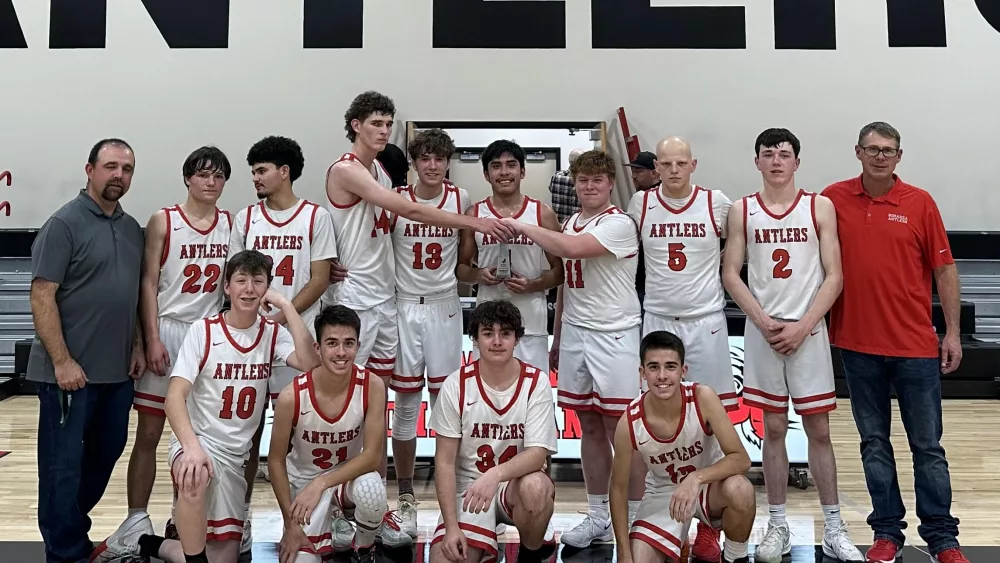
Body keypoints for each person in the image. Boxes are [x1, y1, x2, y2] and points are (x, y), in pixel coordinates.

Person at [322, 90, 514, 479]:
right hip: (366, 298)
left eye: (388, 124)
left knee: (384, 401)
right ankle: (353, 490)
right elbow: (403, 212)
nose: (384, 130)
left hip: (402, 302)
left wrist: (477, 271)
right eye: (376, 123)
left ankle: (387, 492)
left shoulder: (381, 174)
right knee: (357, 398)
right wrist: (327, 265)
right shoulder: (355, 173)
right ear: (356, 126)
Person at [91, 250, 321, 563]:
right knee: (194, 472)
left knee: (223, 558)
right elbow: (174, 398)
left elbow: (310, 363)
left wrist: (286, 306)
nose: (249, 289)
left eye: (258, 282)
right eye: (241, 280)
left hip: (234, 458)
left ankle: (143, 542)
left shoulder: (272, 335)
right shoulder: (204, 330)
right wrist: (192, 447)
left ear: (268, 288)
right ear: (227, 287)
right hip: (198, 443)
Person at [822, 122, 969, 563]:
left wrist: (954, 333)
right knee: (874, 444)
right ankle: (887, 533)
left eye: (888, 150)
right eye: (872, 149)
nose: (880, 157)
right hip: (857, 345)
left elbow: (945, 272)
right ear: (858, 152)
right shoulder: (832, 199)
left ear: (899, 156)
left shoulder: (920, 203)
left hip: (915, 348)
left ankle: (942, 538)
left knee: (928, 447)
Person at [720, 128, 862, 562]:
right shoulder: (743, 209)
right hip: (764, 334)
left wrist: (803, 325)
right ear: (757, 161)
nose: (777, 161)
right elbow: (730, 274)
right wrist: (762, 321)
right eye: (769, 154)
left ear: (797, 162)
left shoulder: (819, 206)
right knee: (774, 429)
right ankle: (777, 524)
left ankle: (834, 527)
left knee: (819, 430)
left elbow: (834, 275)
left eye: (785, 154)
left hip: (809, 332)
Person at [499, 149, 647, 548]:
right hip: (576, 334)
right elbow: (565, 279)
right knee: (590, 426)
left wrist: (523, 226)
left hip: (614, 334)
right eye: (583, 180)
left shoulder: (618, 223)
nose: (590, 185)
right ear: (575, 183)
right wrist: (558, 335)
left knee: (623, 431)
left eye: (597, 179)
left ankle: (633, 517)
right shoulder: (571, 220)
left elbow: (572, 250)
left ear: (611, 184)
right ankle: (598, 513)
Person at [27, 138, 146, 563]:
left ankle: (71, 532)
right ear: (90, 170)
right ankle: (66, 551)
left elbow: (131, 296)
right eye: (111, 166)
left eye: (127, 169)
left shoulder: (133, 229)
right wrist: (61, 361)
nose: (119, 175)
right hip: (68, 377)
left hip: (116, 375)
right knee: (62, 469)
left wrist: (136, 345)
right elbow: (42, 296)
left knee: (105, 455)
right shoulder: (64, 224)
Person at [114, 146, 234, 542]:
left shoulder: (230, 224)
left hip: (208, 335)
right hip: (168, 328)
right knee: (149, 432)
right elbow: (147, 283)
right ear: (187, 178)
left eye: (218, 176)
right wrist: (149, 339)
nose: (211, 183)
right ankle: (135, 519)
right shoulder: (164, 221)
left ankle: (184, 514)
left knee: (200, 434)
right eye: (203, 175)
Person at [625, 136, 734, 562]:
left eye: (680, 163)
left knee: (712, 422)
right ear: (657, 167)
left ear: (693, 165)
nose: (672, 170)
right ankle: (652, 509)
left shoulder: (718, 203)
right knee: (652, 416)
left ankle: (710, 525)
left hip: (705, 321)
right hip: (657, 320)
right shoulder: (641, 204)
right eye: (665, 163)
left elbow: (740, 251)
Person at [229, 135, 338, 554]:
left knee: (307, 435)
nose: (255, 178)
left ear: (284, 172)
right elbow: (237, 277)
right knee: (249, 432)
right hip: (253, 339)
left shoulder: (315, 217)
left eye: (261, 170)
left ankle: (316, 519)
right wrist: (257, 316)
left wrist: (283, 313)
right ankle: (240, 517)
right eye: (253, 171)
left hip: (298, 337)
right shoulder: (245, 219)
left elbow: (320, 278)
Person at [268, 305, 411, 563]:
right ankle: (334, 528)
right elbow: (275, 461)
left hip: (345, 483)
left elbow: (372, 457)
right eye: (332, 343)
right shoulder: (292, 396)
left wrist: (321, 483)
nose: (341, 352)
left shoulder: (373, 386)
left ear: (358, 346)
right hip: (304, 489)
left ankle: (364, 549)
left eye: (349, 343)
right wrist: (290, 525)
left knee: (372, 489)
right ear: (317, 348)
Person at [386, 128, 471, 537]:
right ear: (415, 163)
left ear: (448, 161)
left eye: (440, 158)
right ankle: (405, 495)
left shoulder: (461, 199)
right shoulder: (397, 199)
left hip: (444, 306)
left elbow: (467, 258)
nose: (433, 165)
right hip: (404, 305)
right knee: (404, 408)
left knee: (446, 407)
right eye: (425, 159)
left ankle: (449, 496)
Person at [428, 299, 558, 563]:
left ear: (517, 339)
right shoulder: (456, 385)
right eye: (488, 333)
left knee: (536, 486)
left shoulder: (536, 383)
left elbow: (537, 455)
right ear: (474, 339)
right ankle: (482, 545)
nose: (497, 341)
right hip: (468, 489)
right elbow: (443, 462)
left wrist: (495, 475)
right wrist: (451, 527)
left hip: (514, 486)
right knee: (445, 559)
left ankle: (530, 554)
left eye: (505, 334)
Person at [609, 330, 754, 563]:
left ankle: (735, 558)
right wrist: (623, 553)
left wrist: (696, 478)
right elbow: (617, 490)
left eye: (671, 367)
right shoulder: (629, 422)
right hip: (663, 494)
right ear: (642, 373)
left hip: (709, 488)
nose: (662, 375)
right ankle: (677, 541)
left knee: (740, 489)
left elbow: (741, 459)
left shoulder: (702, 397)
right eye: (654, 367)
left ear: (683, 371)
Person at [456, 139, 564, 375]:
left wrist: (532, 285)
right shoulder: (475, 214)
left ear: (522, 171)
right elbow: (461, 269)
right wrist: (478, 275)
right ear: (486, 174)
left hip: (531, 324)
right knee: (486, 399)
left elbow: (559, 272)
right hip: (488, 326)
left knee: (533, 397)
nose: (504, 172)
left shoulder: (542, 214)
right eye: (496, 166)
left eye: (511, 165)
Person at [624, 150, 662, 308]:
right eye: (633, 171)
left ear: (654, 173)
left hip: (649, 275)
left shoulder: (641, 199)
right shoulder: (640, 197)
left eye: (639, 171)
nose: (633, 176)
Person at [548, 147, 585, 224]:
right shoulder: (583, 181)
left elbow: (551, 189)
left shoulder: (556, 176)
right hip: (577, 224)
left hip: (559, 223)